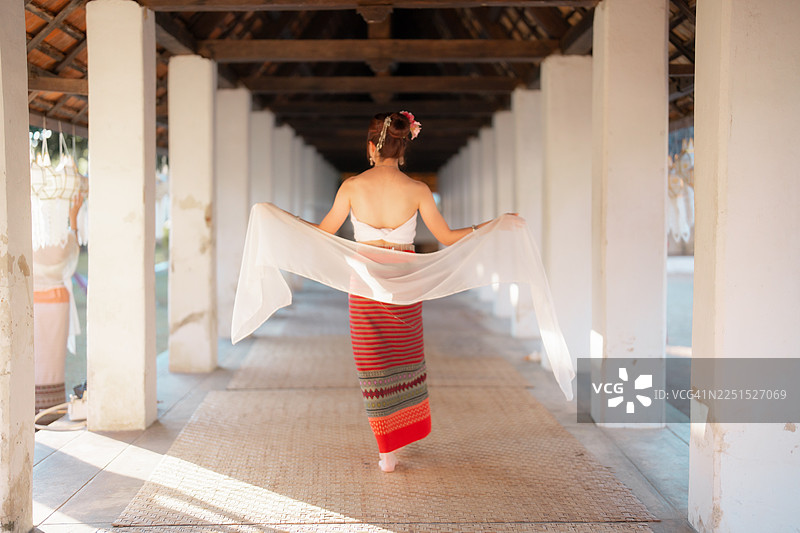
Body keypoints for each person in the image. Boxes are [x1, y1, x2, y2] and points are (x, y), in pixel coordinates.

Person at [310, 112, 493, 472]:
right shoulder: (418, 190)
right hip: (405, 284)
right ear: (404, 148)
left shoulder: (351, 187)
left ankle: (387, 451)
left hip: (365, 285)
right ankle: (401, 433)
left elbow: (322, 233)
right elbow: (447, 237)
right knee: (404, 360)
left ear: (371, 147)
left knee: (372, 364)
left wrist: (284, 220)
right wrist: (491, 225)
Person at [33, 192, 84, 420]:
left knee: (37, 357)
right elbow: (73, 251)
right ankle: (51, 407)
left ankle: (36, 406)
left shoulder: (30, 237)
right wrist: (73, 218)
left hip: (35, 303)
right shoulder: (61, 241)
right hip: (56, 303)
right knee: (53, 359)